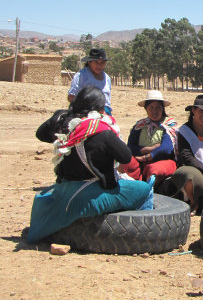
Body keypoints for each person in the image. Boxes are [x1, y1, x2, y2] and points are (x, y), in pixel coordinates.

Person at [28, 86, 152, 243]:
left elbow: (40, 133)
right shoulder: (100, 130)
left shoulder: (64, 123)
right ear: (100, 108)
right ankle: (143, 234)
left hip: (64, 187)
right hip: (88, 194)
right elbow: (126, 157)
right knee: (144, 189)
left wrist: (61, 117)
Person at [118, 90, 178, 189]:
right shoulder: (140, 125)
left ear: (162, 109)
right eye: (151, 107)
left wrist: (147, 157)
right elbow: (131, 146)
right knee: (125, 162)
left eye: (158, 107)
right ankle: (130, 189)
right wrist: (147, 149)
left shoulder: (169, 125)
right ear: (146, 109)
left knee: (153, 169)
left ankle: (149, 192)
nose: (155, 111)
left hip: (164, 161)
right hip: (139, 160)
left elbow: (167, 148)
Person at [68, 48, 112, 115]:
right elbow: (71, 97)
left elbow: (107, 100)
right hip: (85, 111)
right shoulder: (81, 76)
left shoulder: (107, 78)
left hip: (105, 111)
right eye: (96, 62)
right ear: (89, 62)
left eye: (102, 62)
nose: (99, 66)